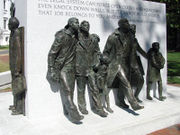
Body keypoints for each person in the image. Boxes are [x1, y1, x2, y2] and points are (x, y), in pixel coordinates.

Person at [47, 17, 84, 123]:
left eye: (78, 22)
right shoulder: (61, 36)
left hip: (72, 67)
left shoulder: (77, 35)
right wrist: (51, 70)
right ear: (70, 24)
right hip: (62, 67)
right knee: (68, 90)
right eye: (76, 22)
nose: (78, 24)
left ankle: (68, 112)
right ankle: (75, 114)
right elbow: (51, 54)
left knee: (70, 92)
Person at [103, 18, 144, 111]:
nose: (128, 24)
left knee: (123, 84)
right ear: (120, 25)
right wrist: (106, 60)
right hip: (116, 63)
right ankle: (134, 104)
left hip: (127, 63)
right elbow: (106, 51)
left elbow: (132, 51)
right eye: (126, 22)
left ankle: (120, 101)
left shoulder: (130, 36)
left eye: (128, 22)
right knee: (126, 83)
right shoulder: (113, 37)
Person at [75, 21, 107, 117]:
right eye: (84, 25)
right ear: (80, 26)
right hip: (80, 68)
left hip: (91, 68)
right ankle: (82, 107)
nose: (87, 27)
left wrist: (97, 63)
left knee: (95, 89)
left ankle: (99, 108)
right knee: (81, 90)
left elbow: (98, 52)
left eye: (88, 25)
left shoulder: (93, 39)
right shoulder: (76, 38)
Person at [8, 2, 26, 115]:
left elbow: (19, 53)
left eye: (9, 24)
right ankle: (15, 104)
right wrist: (12, 12)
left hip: (16, 67)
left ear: (13, 25)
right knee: (15, 86)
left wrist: (18, 69)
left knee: (18, 87)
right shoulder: (13, 33)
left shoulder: (17, 34)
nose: (8, 25)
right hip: (13, 65)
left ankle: (19, 108)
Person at [129, 24, 147, 103]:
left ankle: (136, 96)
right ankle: (129, 98)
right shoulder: (125, 39)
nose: (134, 30)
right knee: (127, 82)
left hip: (136, 63)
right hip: (127, 63)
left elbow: (139, 49)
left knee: (141, 80)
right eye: (133, 28)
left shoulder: (135, 40)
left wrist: (148, 56)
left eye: (135, 28)